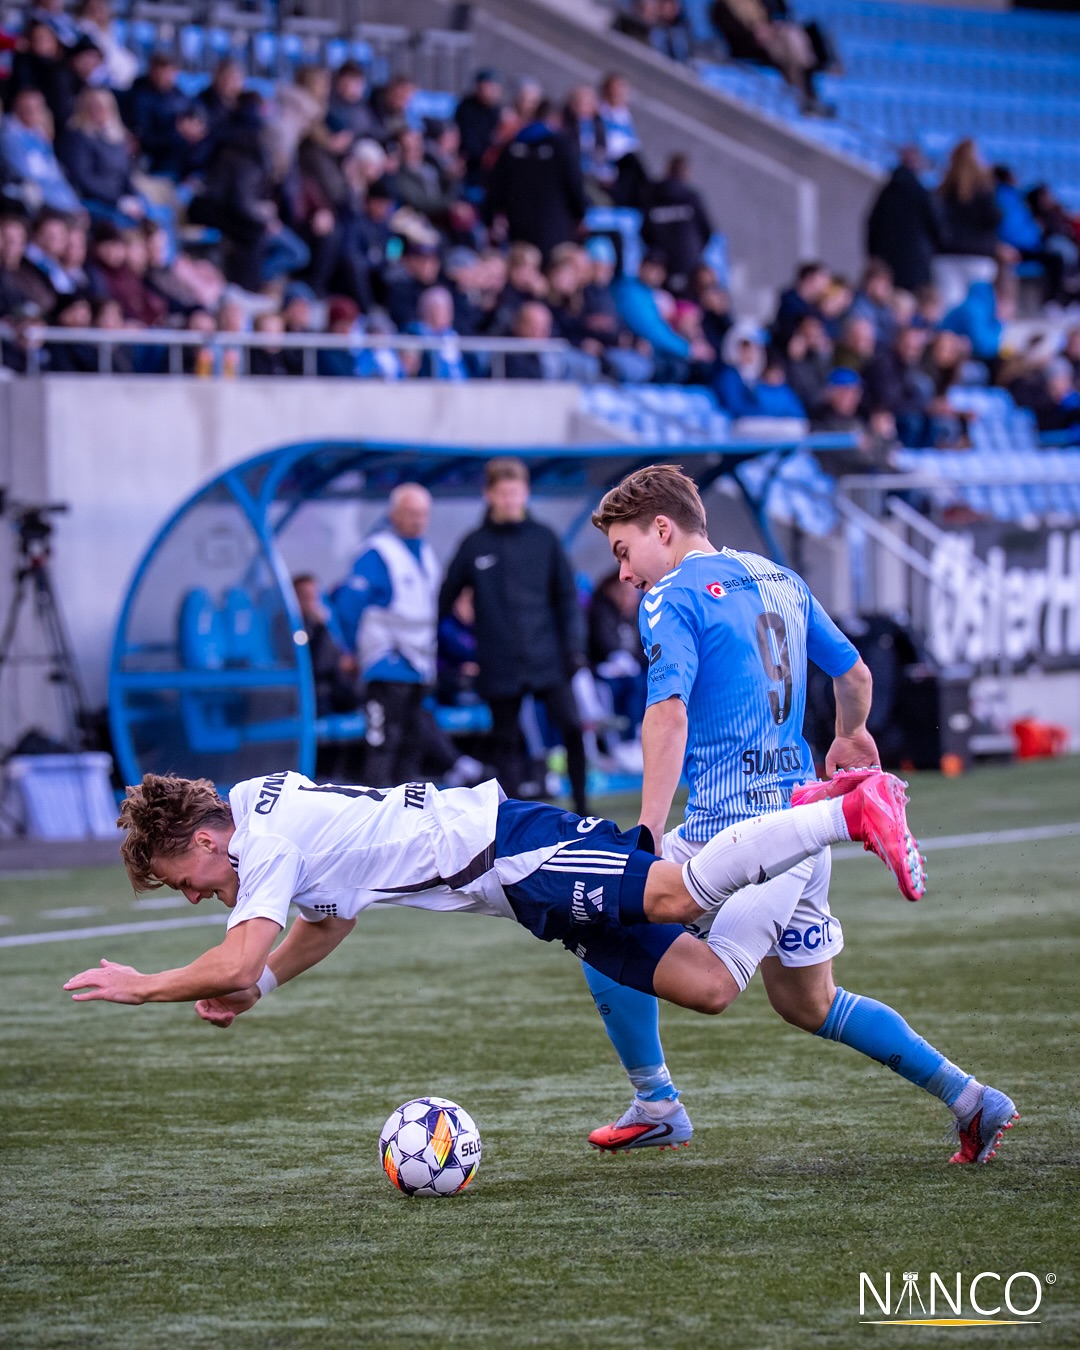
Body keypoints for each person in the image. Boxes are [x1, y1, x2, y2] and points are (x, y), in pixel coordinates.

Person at [581, 464, 1013, 1167]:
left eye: (624, 550)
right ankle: (972, 1101)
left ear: (662, 529)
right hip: (802, 825)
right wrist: (848, 735)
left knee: (604, 916)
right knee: (809, 1002)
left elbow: (667, 714)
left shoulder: (670, 597)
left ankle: (657, 1103)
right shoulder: (779, 577)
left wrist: (649, 832)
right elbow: (855, 674)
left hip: (738, 836)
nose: (625, 573)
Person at [64, 765, 925, 1062]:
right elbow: (328, 920)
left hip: (508, 849)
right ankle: (809, 826)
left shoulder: (264, 841)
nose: (192, 894)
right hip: (513, 892)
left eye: (184, 878)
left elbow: (227, 963)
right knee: (708, 987)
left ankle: (850, 815)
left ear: (208, 840)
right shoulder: (256, 806)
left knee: (673, 889)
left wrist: (145, 987)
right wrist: (270, 984)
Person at [440, 457, 590, 817]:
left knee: (572, 727)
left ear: (525, 493)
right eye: (502, 493)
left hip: (548, 658)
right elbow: (443, 601)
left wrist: (574, 649)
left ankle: (583, 807)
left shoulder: (545, 538)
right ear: (489, 495)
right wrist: (453, 656)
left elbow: (567, 598)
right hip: (499, 662)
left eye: (516, 492)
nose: (509, 500)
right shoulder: (474, 544)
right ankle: (510, 818)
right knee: (504, 740)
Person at [330, 484, 442, 786]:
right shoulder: (376, 552)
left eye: (422, 514)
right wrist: (352, 649)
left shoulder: (427, 553)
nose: (418, 520)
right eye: (411, 513)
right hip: (386, 661)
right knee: (384, 741)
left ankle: (407, 810)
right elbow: (350, 605)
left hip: (420, 663)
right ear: (394, 514)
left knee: (413, 741)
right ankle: (376, 810)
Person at [865, 147, 941, 295]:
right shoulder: (921, 193)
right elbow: (936, 226)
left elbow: (872, 225)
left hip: (887, 260)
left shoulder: (885, 193)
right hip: (916, 263)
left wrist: (873, 253)